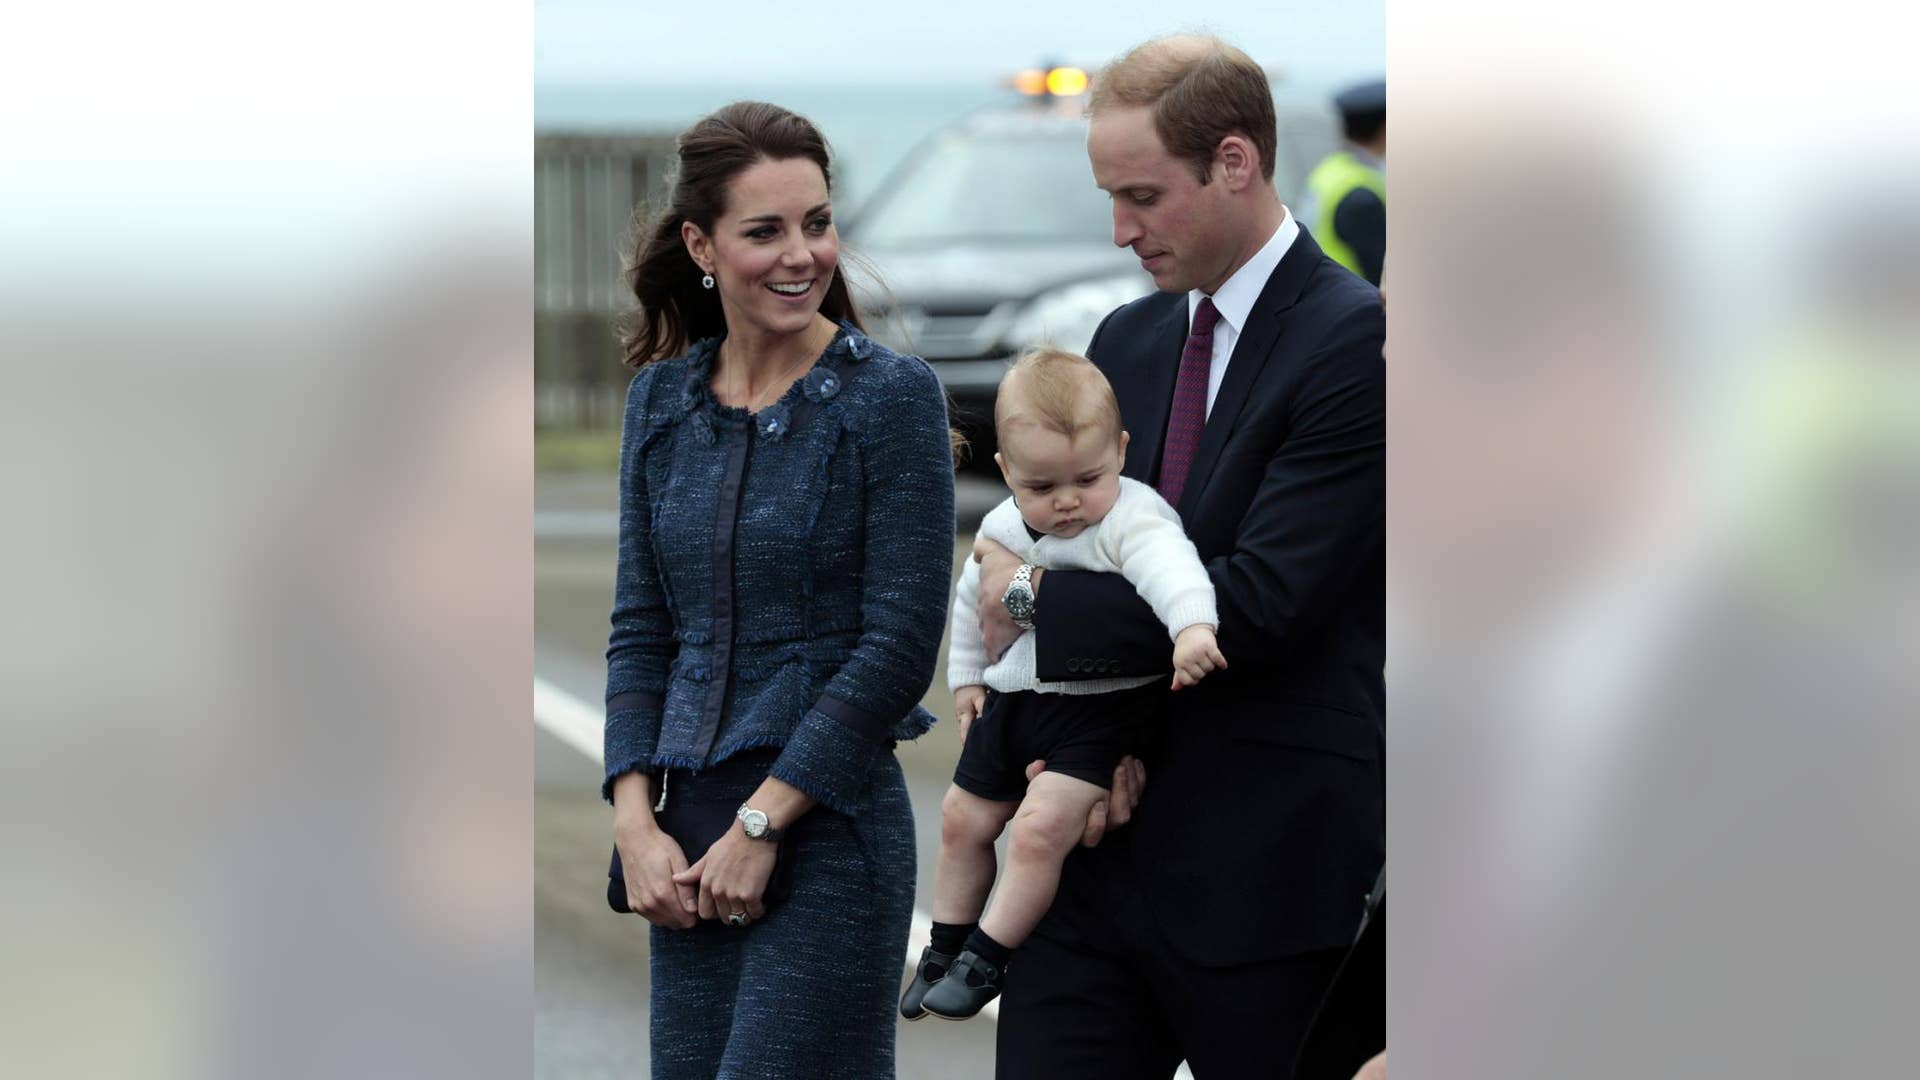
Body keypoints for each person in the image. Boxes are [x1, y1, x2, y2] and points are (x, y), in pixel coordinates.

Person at [972, 35, 1385, 1077]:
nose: (1120, 231)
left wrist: (1018, 599)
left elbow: (1255, 604)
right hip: (1094, 848)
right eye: (1110, 196)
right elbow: (1084, 553)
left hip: (1267, 870)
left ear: (1235, 163)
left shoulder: (1357, 343)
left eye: (1143, 197)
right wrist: (1063, 744)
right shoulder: (1126, 341)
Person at [601, 101, 955, 1079]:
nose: (802, 254)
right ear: (700, 244)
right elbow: (641, 631)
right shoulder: (660, 404)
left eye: (817, 222)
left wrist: (763, 822)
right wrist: (635, 823)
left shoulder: (891, 400)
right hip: (682, 846)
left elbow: (895, 647)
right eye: (766, 230)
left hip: (827, 834)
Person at [900, 347, 1225, 1022]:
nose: (1070, 502)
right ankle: (945, 946)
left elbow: (1174, 571)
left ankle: (989, 954)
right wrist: (965, 679)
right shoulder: (1002, 524)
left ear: (1121, 450)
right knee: (963, 818)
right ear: (1006, 472)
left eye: (1089, 477)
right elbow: (972, 601)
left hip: (1098, 715)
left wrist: (1193, 628)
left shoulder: (1133, 518)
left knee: (1040, 829)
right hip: (1016, 704)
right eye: (1043, 488)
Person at [1300, 78, 1386, 285]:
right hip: (1358, 306)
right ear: (1384, 128)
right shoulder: (1361, 194)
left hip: (1322, 293)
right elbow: (1382, 274)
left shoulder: (1329, 170)